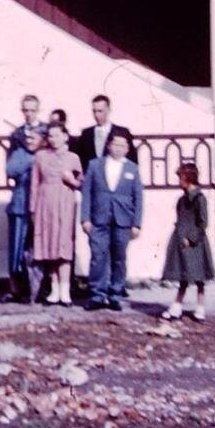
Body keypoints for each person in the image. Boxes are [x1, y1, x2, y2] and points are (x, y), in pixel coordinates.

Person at [80, 130, 144, 310]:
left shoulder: (132, 168)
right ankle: (97, 294)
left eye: (123, 145)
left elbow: (138, 197)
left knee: (119, 258)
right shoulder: (94, 165)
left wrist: (137, 223)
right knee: (98, 256)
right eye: (115, 144)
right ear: (108, 145)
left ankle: (115, 294)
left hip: (123, 220)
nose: (119, 148)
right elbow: (87, 194)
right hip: (98, 219)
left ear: (127, 148)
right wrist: (85, 218)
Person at [30, 123, 84, 306]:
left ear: (65, 137)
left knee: (64, 246)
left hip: (65, 202)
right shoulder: (40, 157)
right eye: (51, 136)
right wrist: (33, 209)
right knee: (49, 246)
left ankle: (65, 290)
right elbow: (34, 185)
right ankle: (54, 290)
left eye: (57, 135)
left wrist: (71, 181)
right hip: (45, 203)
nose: (54, 139)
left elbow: (81, 182)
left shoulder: (73, 158)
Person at [3, 95, 46, 301]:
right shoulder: (17, 135)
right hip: (21, 197)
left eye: (32, 110)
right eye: (25, 110)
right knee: (17, 244)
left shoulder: (48, 131)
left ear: (38, 110)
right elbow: (10, 169)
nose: (29, 114)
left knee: (41, 244)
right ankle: (15, 288)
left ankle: (41, 288)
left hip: (43, 201)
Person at [161, 162, 214, 319]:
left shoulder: (199, 199)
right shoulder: (182, 200)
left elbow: (203, 223)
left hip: (195, 244)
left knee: (199, 277)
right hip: (182, 243)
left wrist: (191, 239)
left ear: (189, 178)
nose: (179, 182)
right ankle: (177, 306)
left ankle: (200, 308)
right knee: (183, 277)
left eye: (181, 178)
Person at [70, 94, 134, 166]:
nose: (96, 115)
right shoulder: (86, 134)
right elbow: (80, 160)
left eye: (100, 111)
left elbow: (132, 159)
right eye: (94, 111)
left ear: (109, 110)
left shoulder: (123, 132)